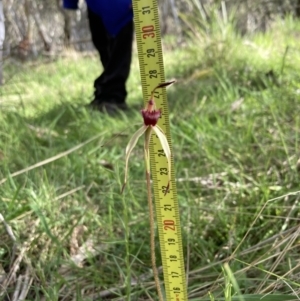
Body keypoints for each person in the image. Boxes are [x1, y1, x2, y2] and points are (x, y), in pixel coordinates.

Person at [63, 0, 134, 112]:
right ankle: (105, 94)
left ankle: (112, 97)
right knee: (105, 50)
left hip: (122, 7)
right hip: (95, 7)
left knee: (118, 52)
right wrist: (70, 3)